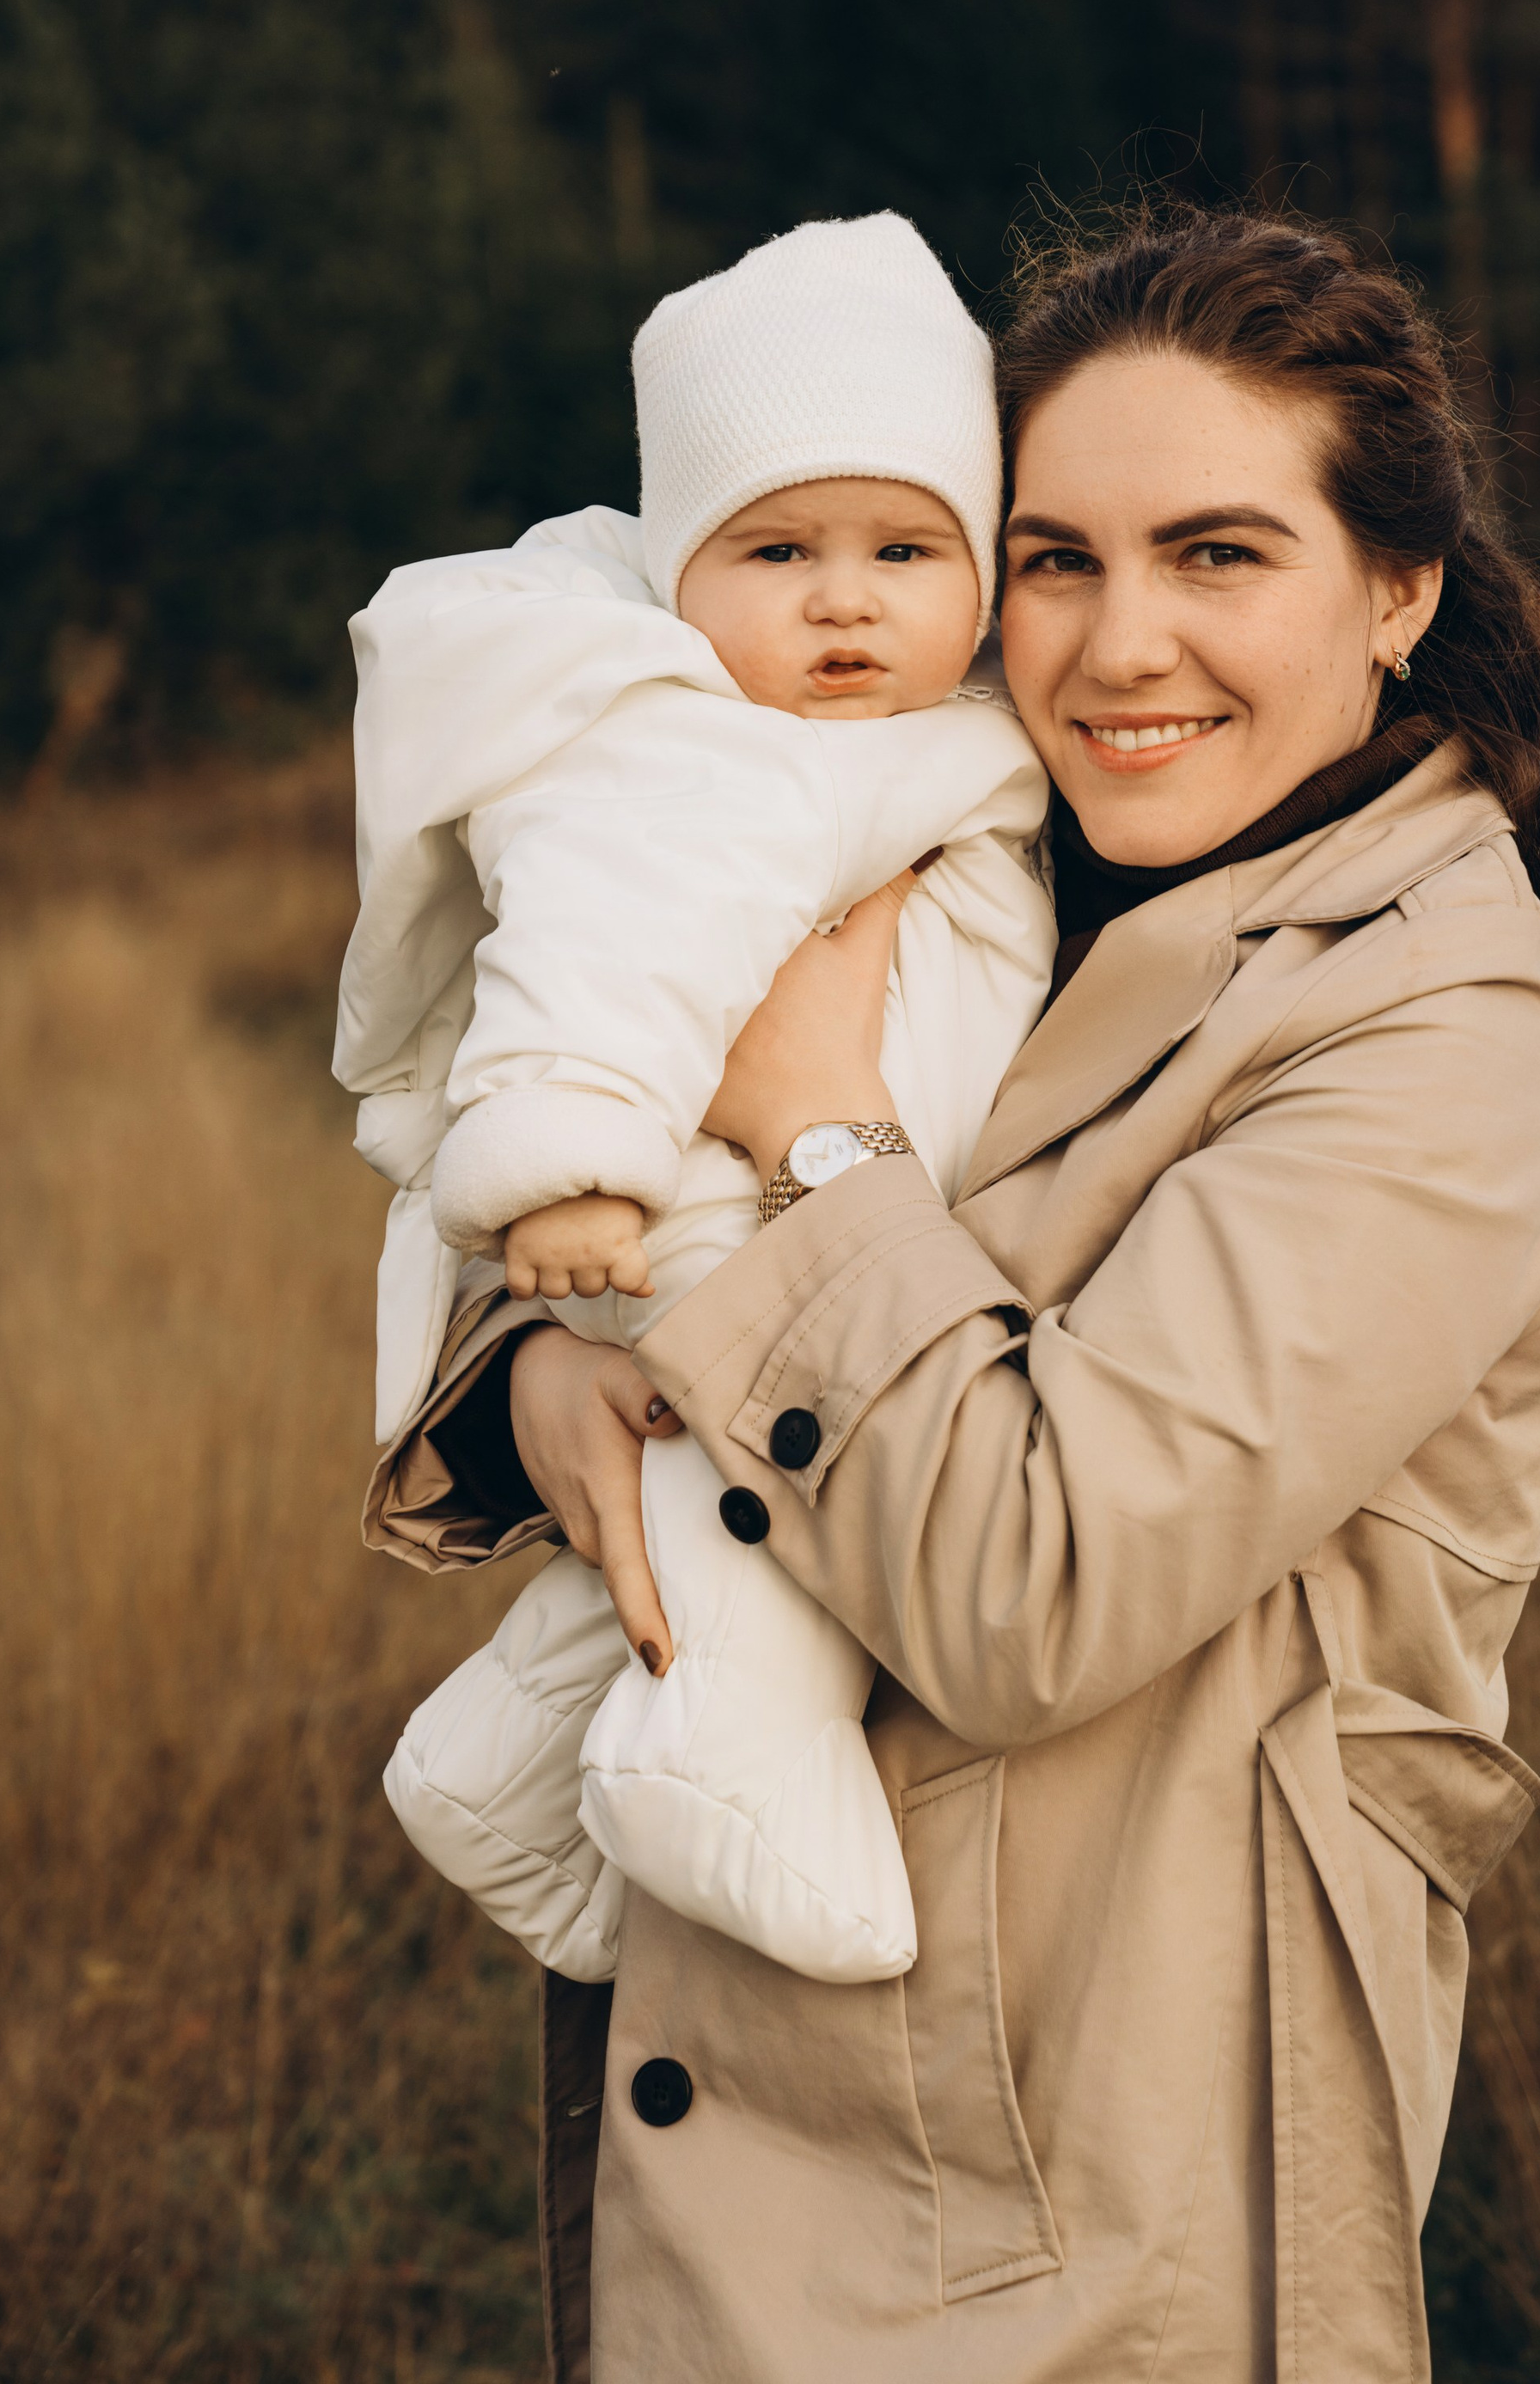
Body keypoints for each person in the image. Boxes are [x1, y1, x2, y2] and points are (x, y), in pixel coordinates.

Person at [368, 205, 1540, 2383]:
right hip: (786, 2149)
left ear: (1398, 590)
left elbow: (1032, 1579)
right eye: (1055, 558)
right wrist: (545, 1364)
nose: (1118, 645)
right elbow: (660, 1181)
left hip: (1077, 2234)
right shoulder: (1001, 857)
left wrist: (821, 1132)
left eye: (1218, 555)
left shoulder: (1439, 1029)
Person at [339, 212, 1053, 1990]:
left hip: (827, 1204)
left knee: (666, 1526)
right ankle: (726, 1762)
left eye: (903, 547)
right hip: (715, 1213)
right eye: (777, 549)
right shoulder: (696, 754)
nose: (840, 599)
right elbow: (605, 941)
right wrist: (564, 1159)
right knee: (769, 1533)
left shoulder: (907, 744)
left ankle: (500, 1759)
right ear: (677, 573)